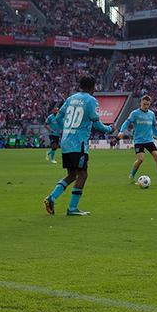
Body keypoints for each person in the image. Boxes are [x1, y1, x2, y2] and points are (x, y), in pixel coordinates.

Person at [44, 76, 112, 216]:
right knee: (82, 174)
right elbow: (97, 124)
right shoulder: (91, 100)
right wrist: (110, 129)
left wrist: (68, 128)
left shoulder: (71, 98)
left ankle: (51, 198)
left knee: (72, 174)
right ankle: (72, 208)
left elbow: (57, 119)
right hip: (78, 143)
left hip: (66, 141)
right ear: (91, 87)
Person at [118, 95, 157, 185]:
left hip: (149, 140)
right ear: (140, 103)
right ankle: (132, 175)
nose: (146, 106)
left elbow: (154, 128)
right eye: (144, 104)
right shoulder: (135, 113)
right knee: (140, 159)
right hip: (139, 141)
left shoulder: (152, 114)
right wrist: (121, 131)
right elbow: (127, 122)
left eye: (148, 104)